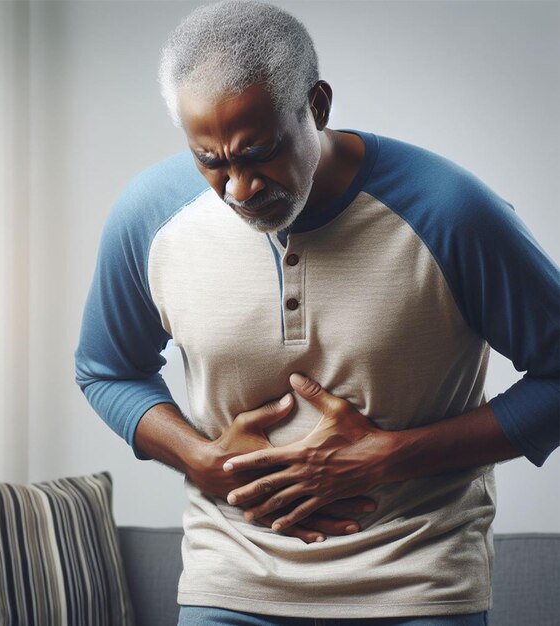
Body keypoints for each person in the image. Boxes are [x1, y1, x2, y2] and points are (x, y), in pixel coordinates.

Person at [74, 1, 559, 624]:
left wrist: (389, 456)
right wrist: (200, 458)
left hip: (416, 579)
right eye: (212, 161)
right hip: (231, 579)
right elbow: (105, 369)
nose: (239, 190)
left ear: (318, 106)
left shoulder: (450, 211)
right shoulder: (148, 218)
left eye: (259, 153)